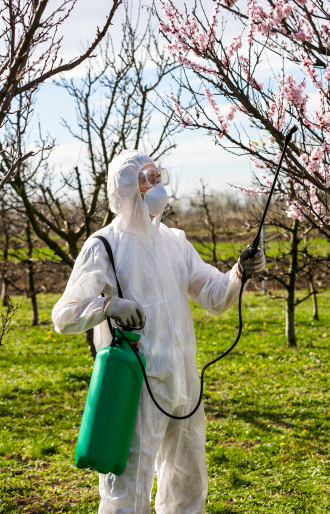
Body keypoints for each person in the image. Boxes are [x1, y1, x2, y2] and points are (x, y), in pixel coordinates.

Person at [52, 150, 266, 514]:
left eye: (157, 176)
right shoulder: (104, 245)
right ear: (123, 189)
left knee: (187, 483)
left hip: (181, 382)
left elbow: (213, 295)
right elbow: (64, 315)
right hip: (133, 388)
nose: (156, 186)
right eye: (145, 179)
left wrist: (239, 272)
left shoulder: (175, 242)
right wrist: (108, 306)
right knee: (128, 490)